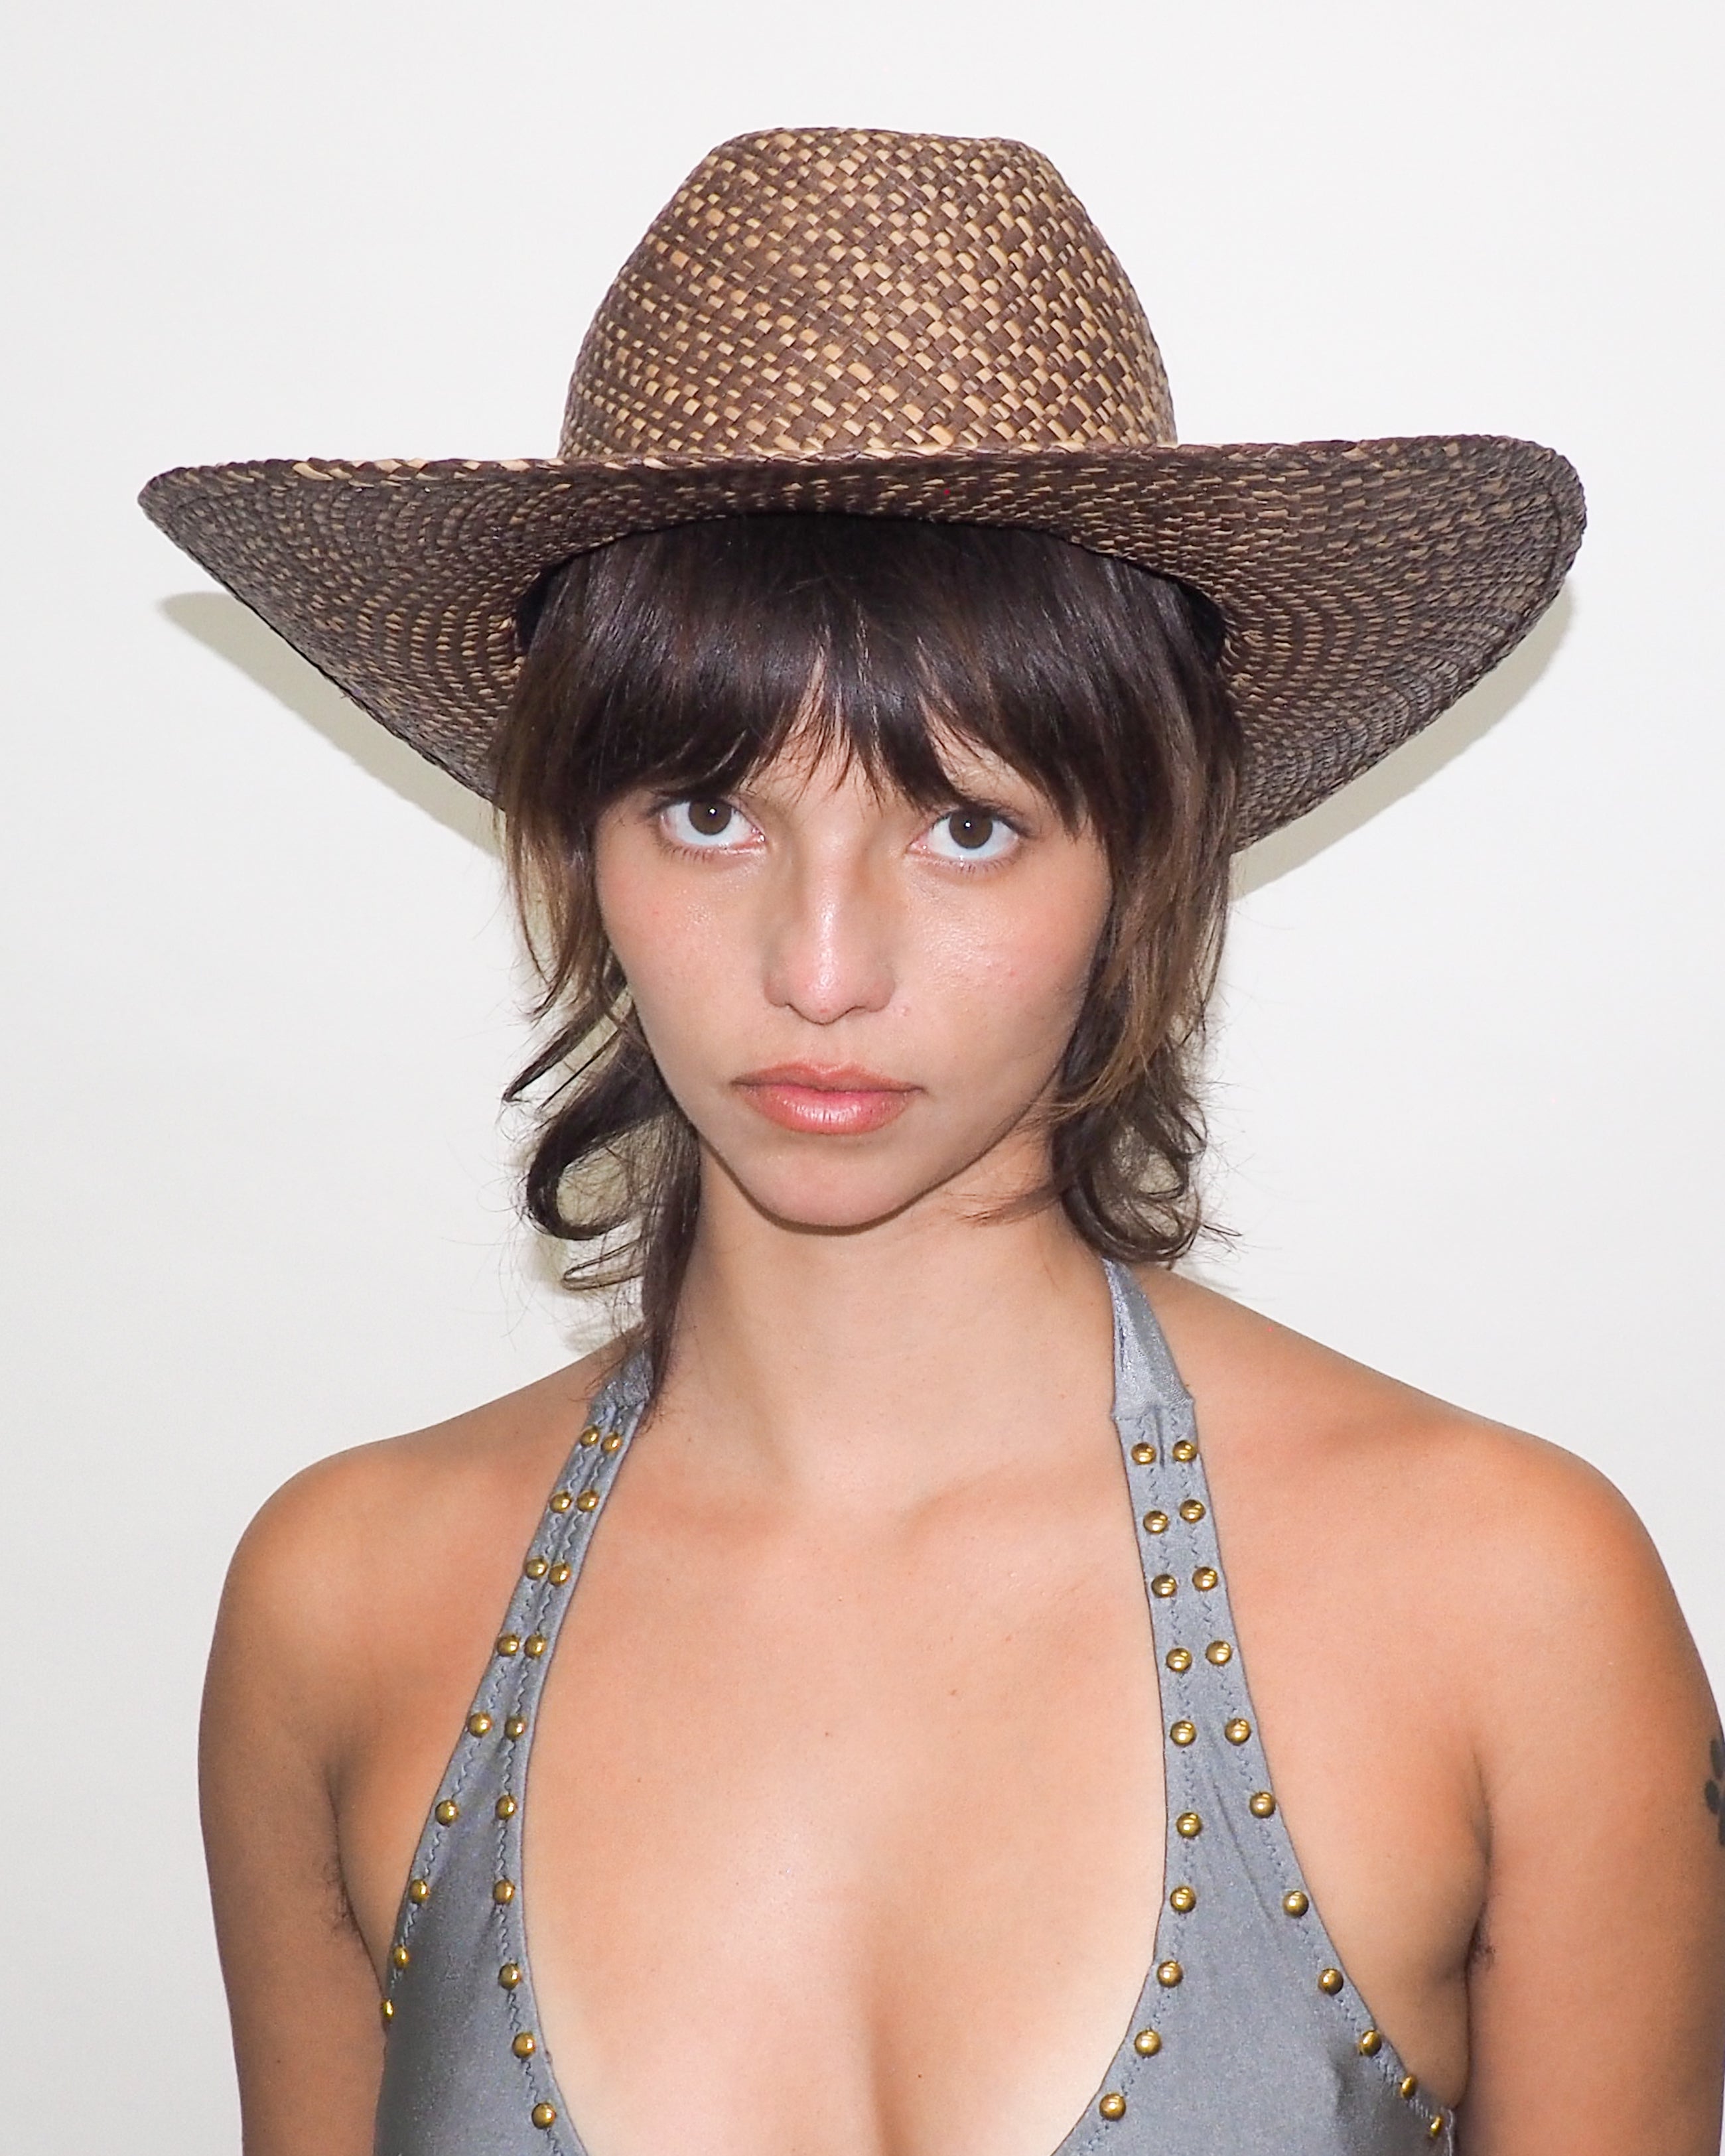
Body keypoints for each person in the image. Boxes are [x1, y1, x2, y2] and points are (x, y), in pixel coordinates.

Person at [142, 128, 1725, 2156]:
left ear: (1142, 859)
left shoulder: (1515, 1605)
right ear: (575, 844)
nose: (821, 967)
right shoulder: (341, 1608)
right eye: (709, 810)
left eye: (966, 824)